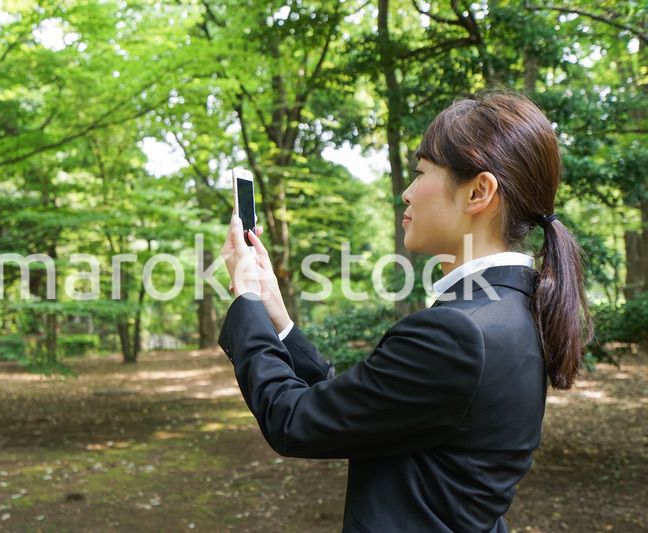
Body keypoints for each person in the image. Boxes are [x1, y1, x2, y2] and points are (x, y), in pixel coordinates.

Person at [218, 91, 594, 532]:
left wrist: (245, 300)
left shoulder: (457, 332)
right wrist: (278, 321)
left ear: (479, 191)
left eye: (420, 173)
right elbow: (367, 407)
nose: (407, 192)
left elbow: (293, 420)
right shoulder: (513, 310)